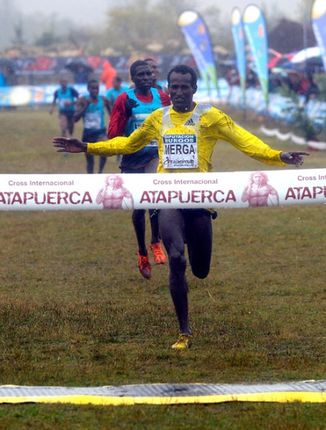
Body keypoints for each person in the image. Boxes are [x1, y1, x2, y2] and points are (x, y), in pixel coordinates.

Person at [54, 64, 309, 350]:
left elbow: (245, 141)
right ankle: (184, 331)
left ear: (194, 88)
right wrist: (88, 147)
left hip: (199, 199)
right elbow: (128, 144)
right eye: (173, 86)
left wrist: (278, 155)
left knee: (200, 270)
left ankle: (191, 252)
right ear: (168, 88)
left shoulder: (210, 116)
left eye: (184, 87)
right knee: (176, 259)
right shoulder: (158, 117)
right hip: (168, 197)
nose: (178, 92)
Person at [106, 60, 170, 279]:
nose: (145, 77)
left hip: (154, 155)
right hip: (132, 158)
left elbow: (171, 123)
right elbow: (113, 134)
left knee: (155, 198)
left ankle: (155, 241)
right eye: (140, 75)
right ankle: (142, 252)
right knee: (138, 207)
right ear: (132, 78)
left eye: (148, 74)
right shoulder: (124, 99)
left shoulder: (161, 96)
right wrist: (125, 115)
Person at [73, 79, 111, 174]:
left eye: (96, 88)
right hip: (88, 133)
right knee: (90, 160)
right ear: (88, 89)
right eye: (92, 88)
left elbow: (113, 114)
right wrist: (85, 106)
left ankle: (100, 172)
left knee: (105, 151)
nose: (95, 91)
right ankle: (91, 177)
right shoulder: (82, 100)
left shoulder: (103, 100)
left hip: (100, 131)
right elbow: (75, 119)